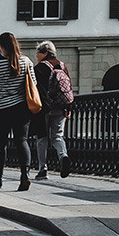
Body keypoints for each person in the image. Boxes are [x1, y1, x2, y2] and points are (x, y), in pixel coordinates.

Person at [0, 31, 34, 191]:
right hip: (21, 107)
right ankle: (25, 176)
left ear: (1, 46)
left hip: (2, 108)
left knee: (1, 144)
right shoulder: (26, 61)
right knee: (22, 140)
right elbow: (32, 82)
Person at [33, 41, 74, 178]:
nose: (36, 56)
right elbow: (68, 88)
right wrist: (68, 107)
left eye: (38, 53)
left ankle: (42, 169)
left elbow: (38, 90)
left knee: (42, 138)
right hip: (61, 107)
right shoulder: (62, 66)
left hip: (44, 108)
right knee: (57, 136)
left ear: (44, 53)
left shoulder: (39, 68)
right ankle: (63, 156)